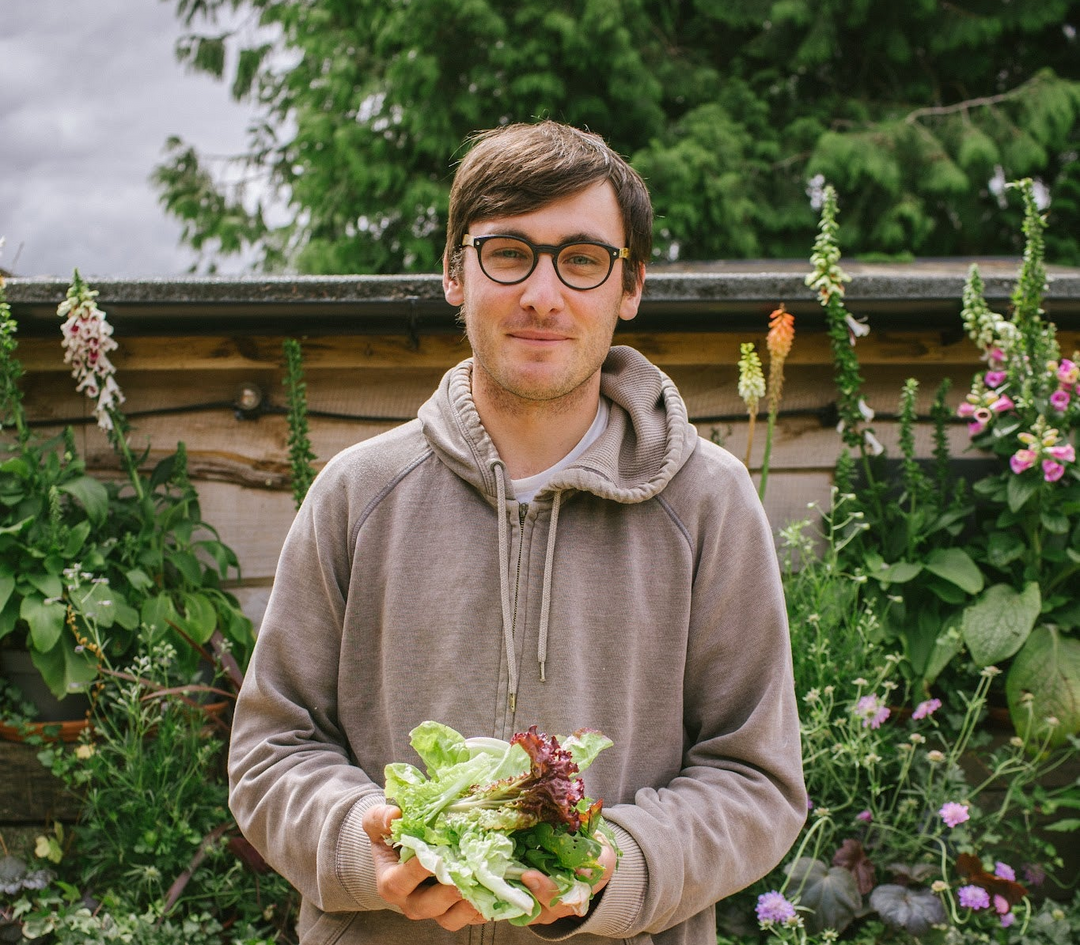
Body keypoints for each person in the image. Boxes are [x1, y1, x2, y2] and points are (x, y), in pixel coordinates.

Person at [228, 120, 805, 944]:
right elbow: (270, 750)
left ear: (629, 285)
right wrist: (369, 851)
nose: (542, 293)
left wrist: (621, 868)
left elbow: (757, 778)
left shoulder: (709, 501)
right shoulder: (356, 494)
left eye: (581, 259)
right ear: (455, 273)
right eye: (508, 253)